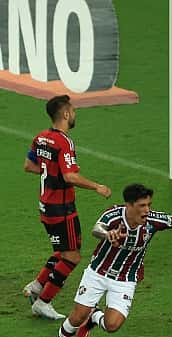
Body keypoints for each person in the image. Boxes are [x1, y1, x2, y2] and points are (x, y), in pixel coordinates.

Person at [49, 183, 172, 337]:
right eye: (142, 206)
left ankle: (95, 316)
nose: (147, 210)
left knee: (112, 326)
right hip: (98, 273)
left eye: (149, 205)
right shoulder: (114, 214)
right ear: (129, 205)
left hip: (125, 279)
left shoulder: (154, 220)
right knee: (77, 318)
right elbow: (97, 228)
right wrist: (107, 234)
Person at [22, 95, 112, 320]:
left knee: (62, 250)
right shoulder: (64, 142)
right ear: (65, 114)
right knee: (71, 257)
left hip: (45, 205)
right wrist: (97, 187)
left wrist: (50, 172)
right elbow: (70, 175)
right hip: (62, 208)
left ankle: (36, 285)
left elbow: (29, 165)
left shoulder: (41, 137)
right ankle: (43, 302)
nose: (74, 114)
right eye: (72, 110)